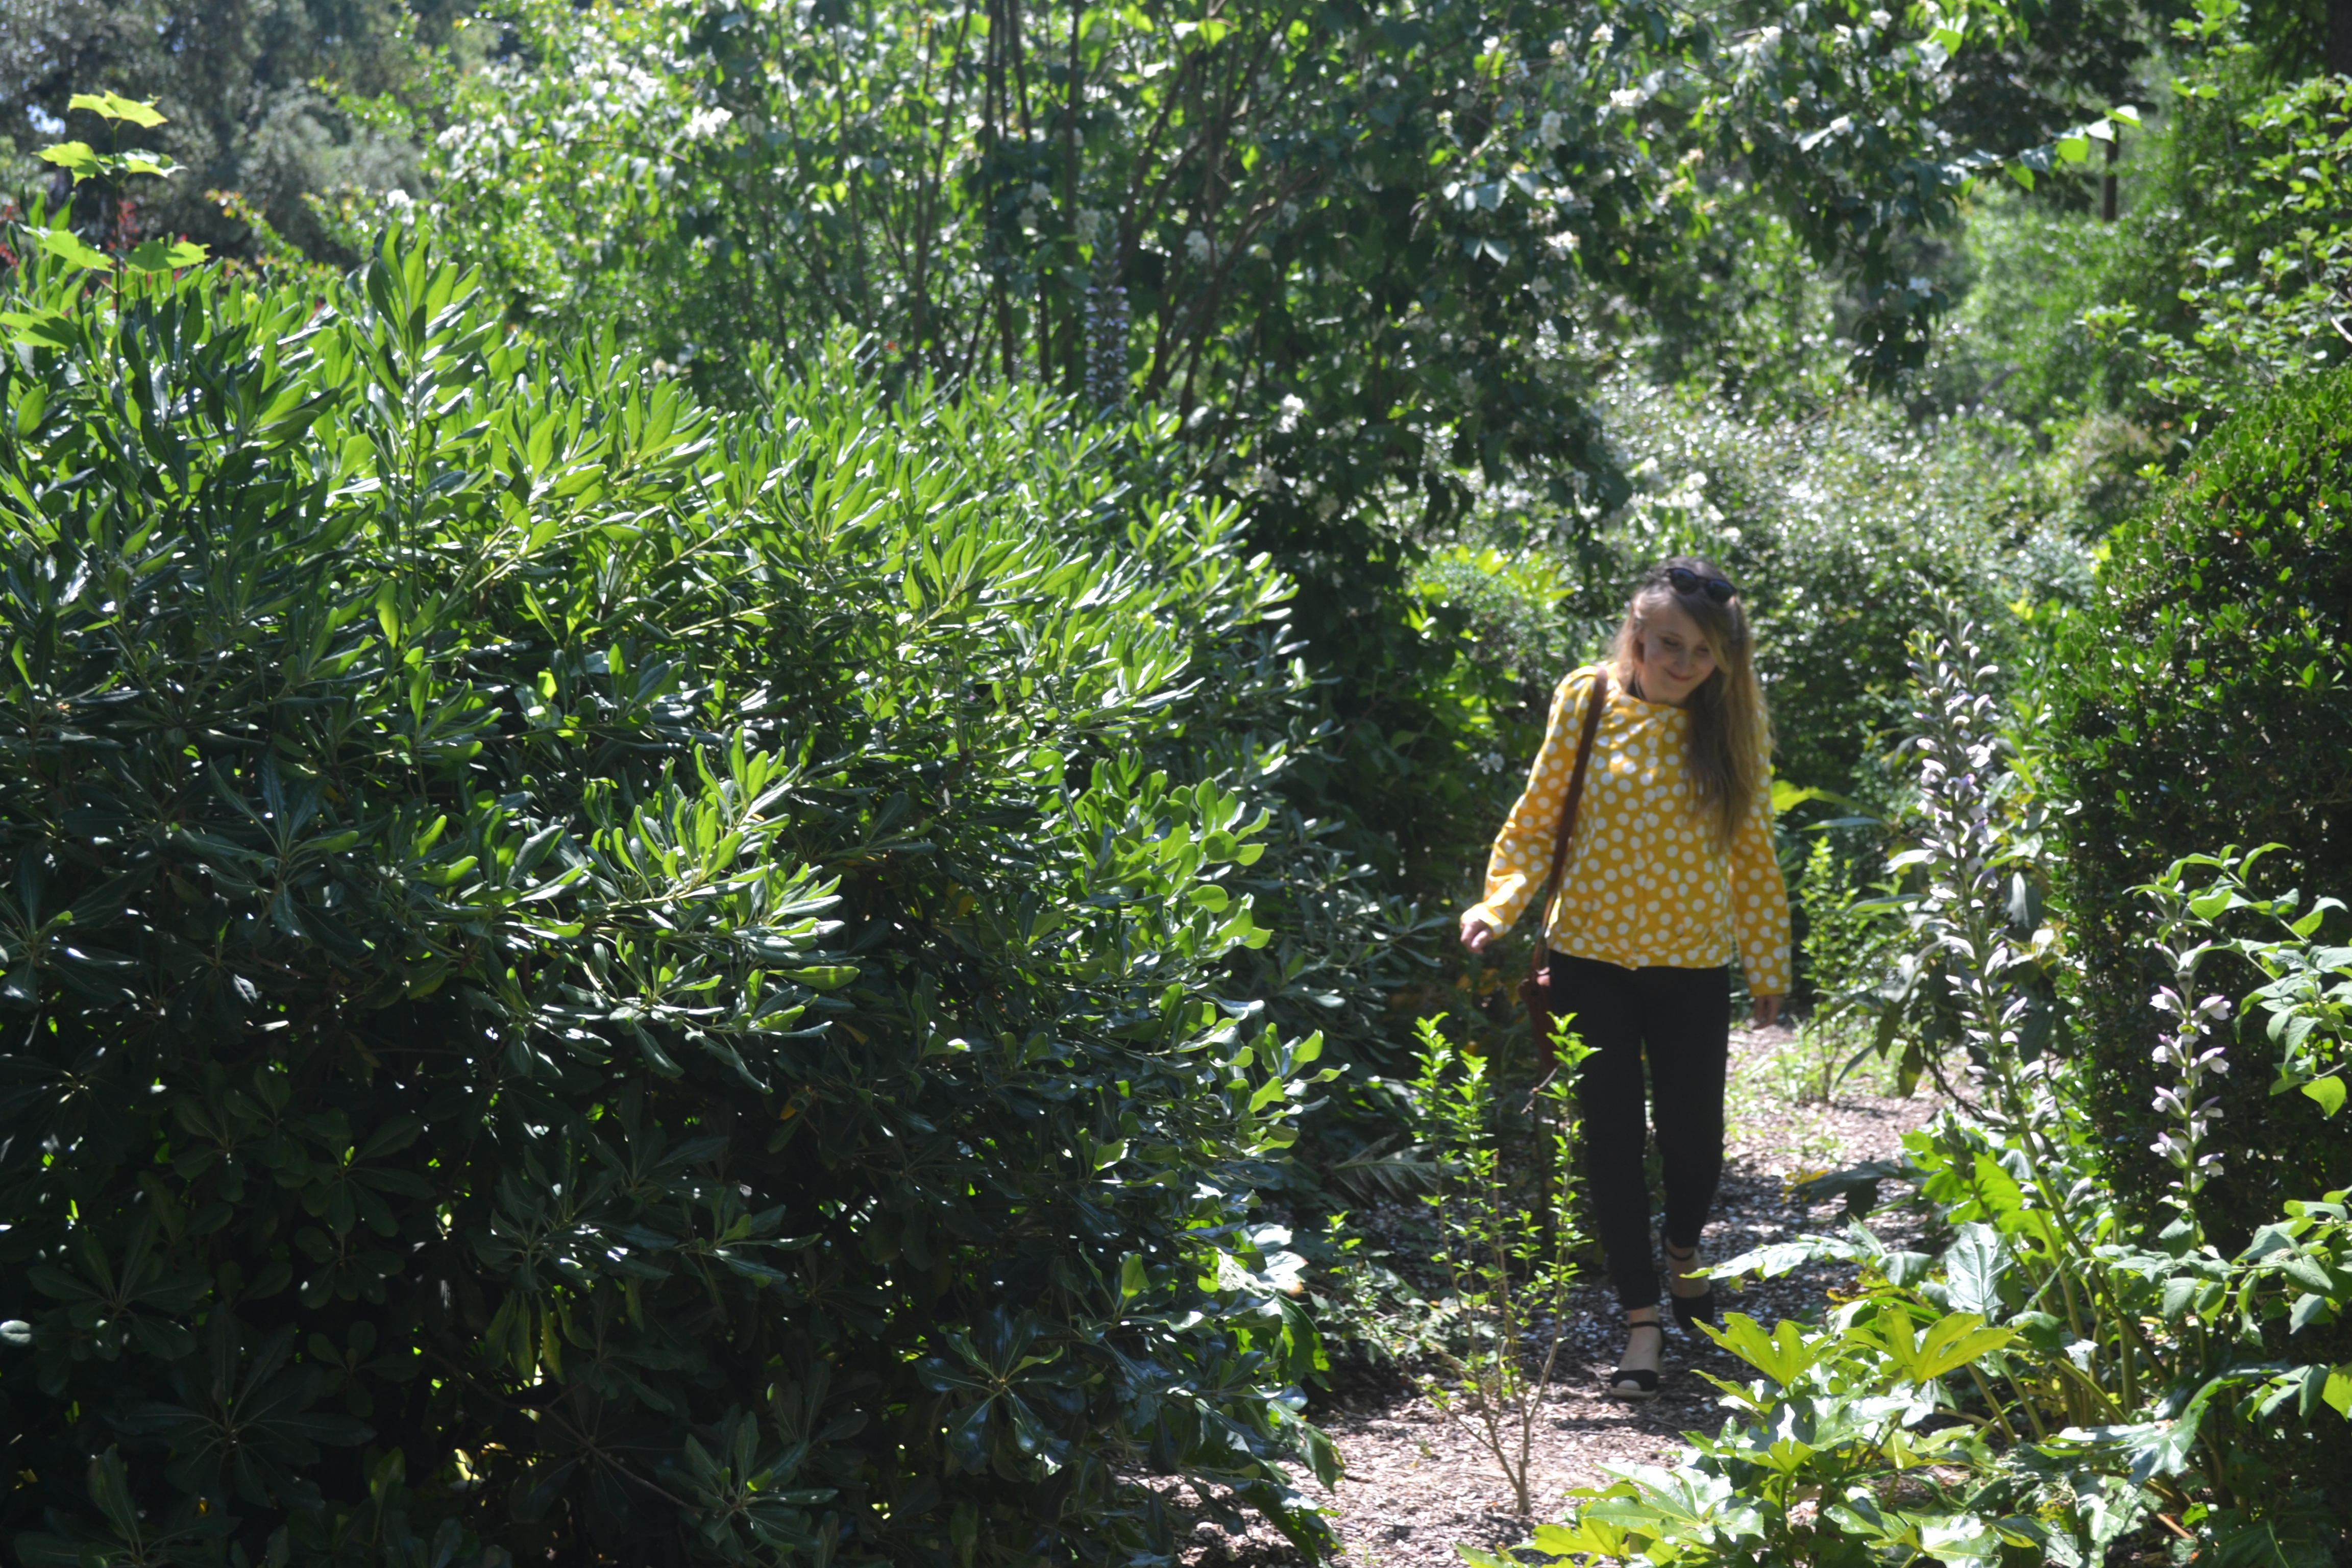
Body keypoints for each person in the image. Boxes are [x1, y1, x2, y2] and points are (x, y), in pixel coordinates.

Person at [1458, 556, 1789, 1401]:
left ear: (1725, 663)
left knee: (1694, 1141)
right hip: (1588, 962)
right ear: (1638, 635)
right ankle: (1643, 1324)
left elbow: (1753, 860)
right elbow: (1536, 820)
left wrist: (1768, 966)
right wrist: (1498, 907)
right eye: (1671, 644)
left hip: (1690, 967)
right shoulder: (1586, 700)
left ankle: (1683, 1252)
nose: (1685, 664)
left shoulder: (1727, 729)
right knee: (1609, 1141)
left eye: (1706, 653)